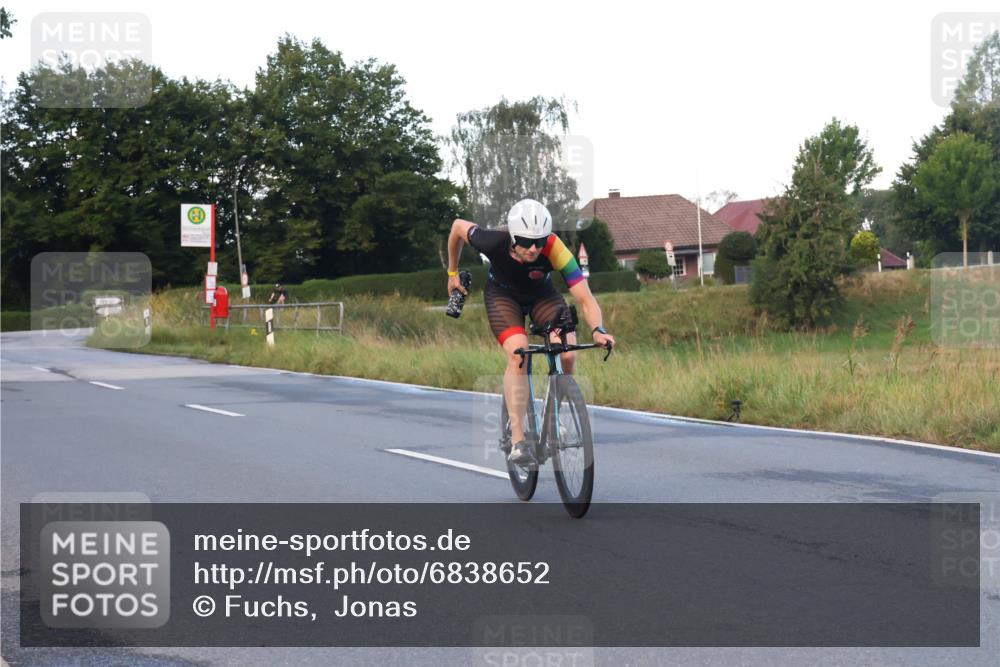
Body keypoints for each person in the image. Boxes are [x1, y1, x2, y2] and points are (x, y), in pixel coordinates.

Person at [446, 199, 616, 465]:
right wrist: (452, 273)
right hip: (503, 296)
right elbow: (457, 227)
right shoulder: (492, 241)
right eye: (526, 241)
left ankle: (554, 420)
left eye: (540, 241)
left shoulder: (554, 248)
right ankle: (517, 441)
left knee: (568, 353)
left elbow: (585, 298)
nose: (534, 248)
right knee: (518, 355)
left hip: (542, 296)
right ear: (514, 237)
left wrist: (598, 329)